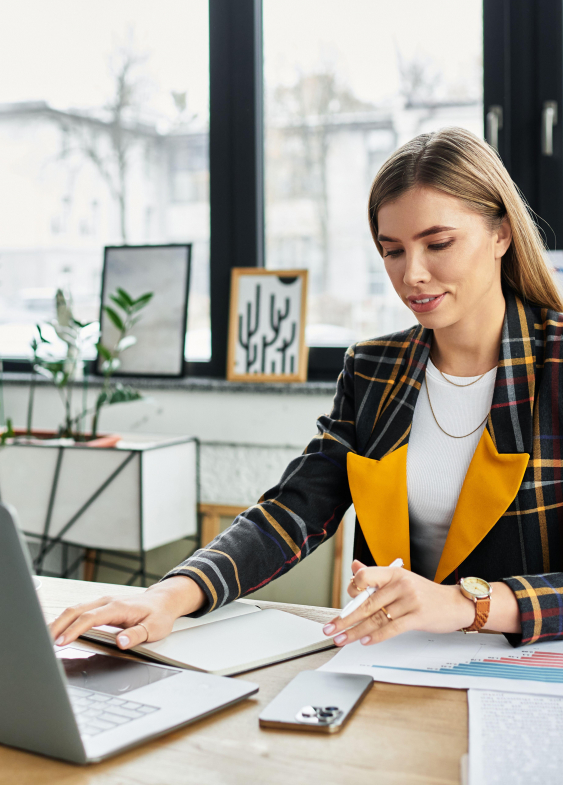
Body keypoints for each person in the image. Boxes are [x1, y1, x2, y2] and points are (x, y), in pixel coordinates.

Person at [51, 127, 563, 653]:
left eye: (438, 244)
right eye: (392, 251)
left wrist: (464, 604)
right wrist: (171, 594)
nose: (413, 274)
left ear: (501, 234)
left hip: (529, 667)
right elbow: (293, 511)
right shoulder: (374, 369)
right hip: (392, 661)